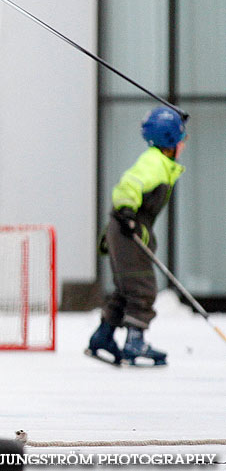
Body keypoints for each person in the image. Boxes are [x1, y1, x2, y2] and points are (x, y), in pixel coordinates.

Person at [86, 106, 186, 367]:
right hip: (127, 228)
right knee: (142, 287)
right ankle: (135, 342)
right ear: (170, 141)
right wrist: (128, 212)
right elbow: (128, 184)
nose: (185, 143)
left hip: (124, 230)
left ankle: (103, 337)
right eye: (182, 137)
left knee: (126, 287)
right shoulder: (155, 163)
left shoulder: (161, 162)